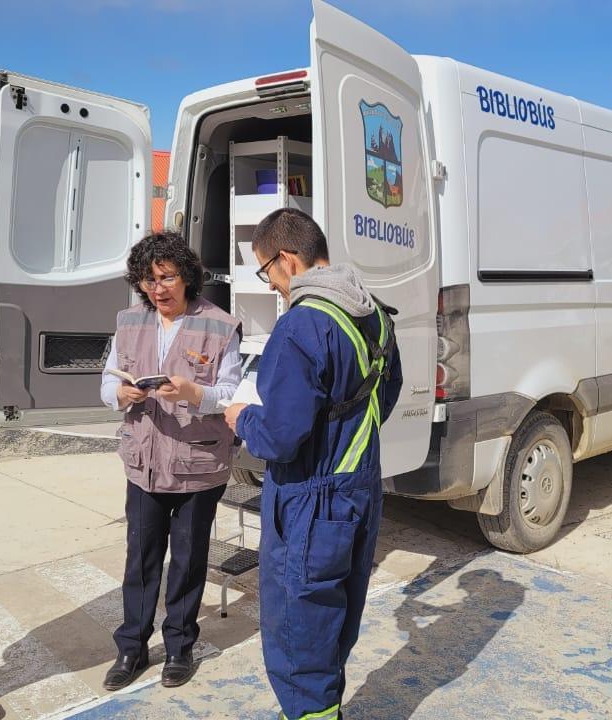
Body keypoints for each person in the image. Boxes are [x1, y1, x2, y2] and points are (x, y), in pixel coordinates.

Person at [224, 208, 402, 720]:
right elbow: (382, 397)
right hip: (359, 487)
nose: (272, 284)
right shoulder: (373, 316)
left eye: (267, 272)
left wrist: (242, 419)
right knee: (336, 618)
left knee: (299, 630)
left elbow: (280, 438)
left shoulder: (301, 326)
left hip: (309, 499)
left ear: (287, 260)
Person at [100, 232, 242, 691]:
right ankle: (131, 648)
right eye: (148, 279)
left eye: (167, 277)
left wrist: (193, 392)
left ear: (187, 277)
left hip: (198, 467)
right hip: (143, 463)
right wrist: (118, 393)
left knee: (187, 560)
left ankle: (180, 647)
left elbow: (231, 395)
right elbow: (107, 382)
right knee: (140, 560)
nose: (157, 288)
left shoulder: (220, 325)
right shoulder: (128, 321)